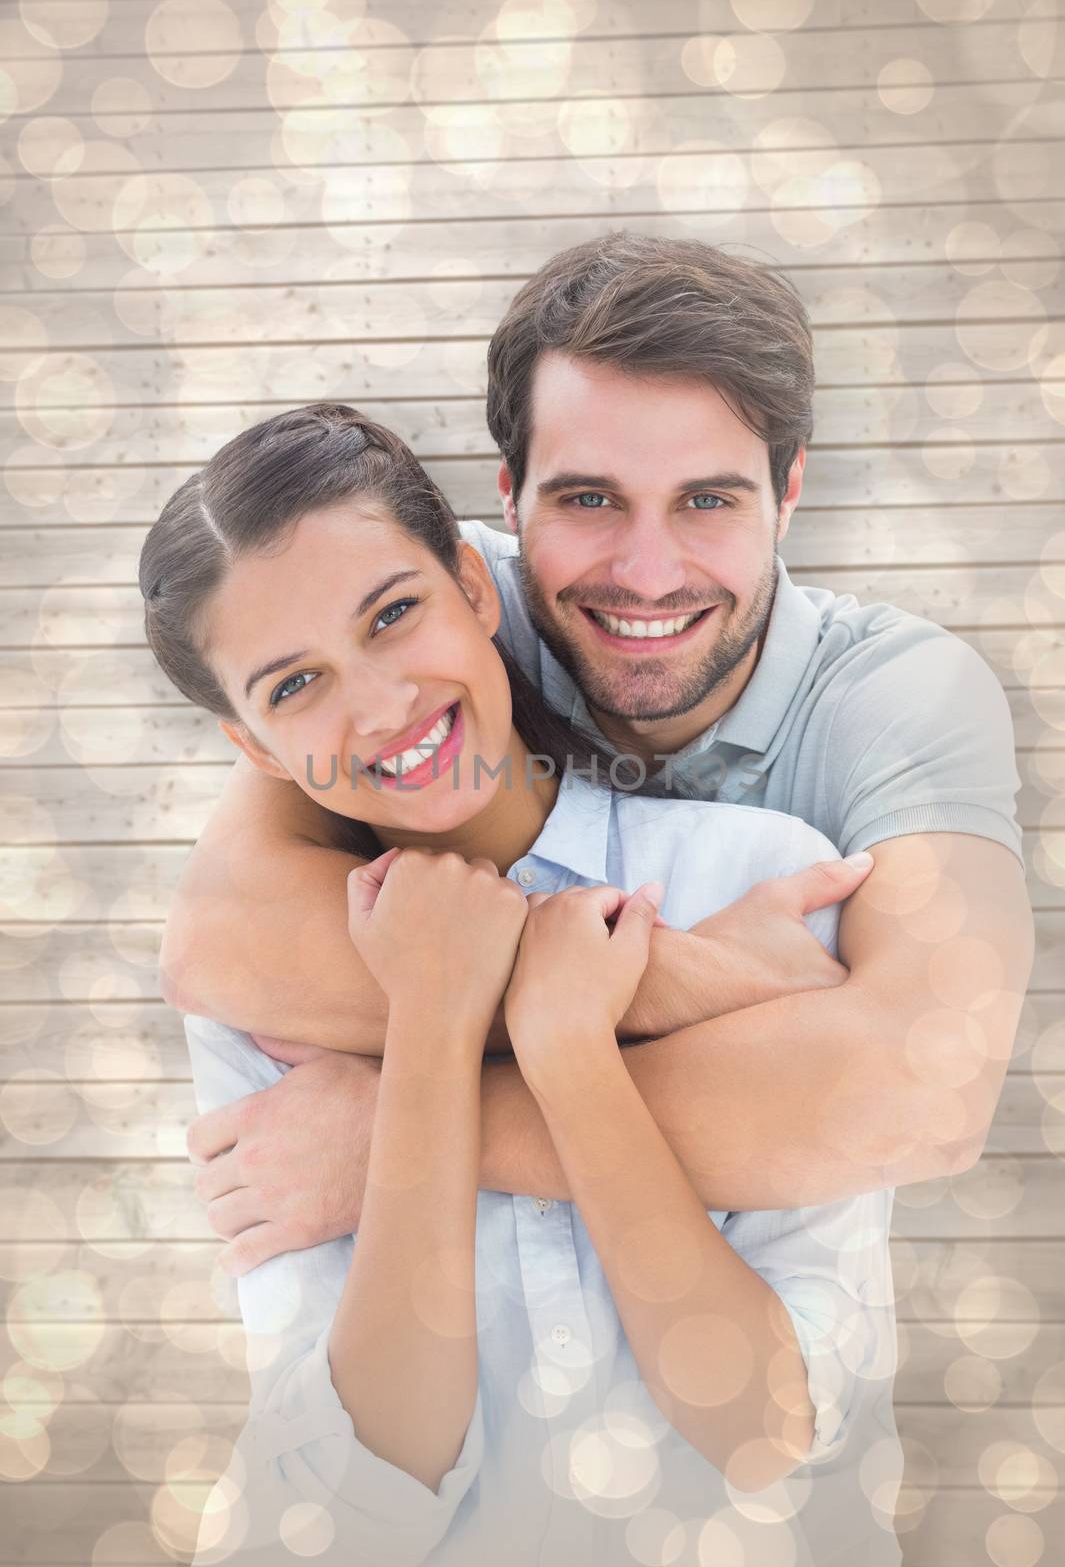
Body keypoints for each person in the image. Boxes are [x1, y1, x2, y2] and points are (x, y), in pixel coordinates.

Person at [140, 403, 902, 1566]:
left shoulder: (757, 878)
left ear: (470, 584)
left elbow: (766, 1435)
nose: (383, 704)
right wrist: (438, 1023)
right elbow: (360, 1503)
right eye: (295, 687)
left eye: (394, 614)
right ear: (252, 748)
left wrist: (569, 1042)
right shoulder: (266, 1003)